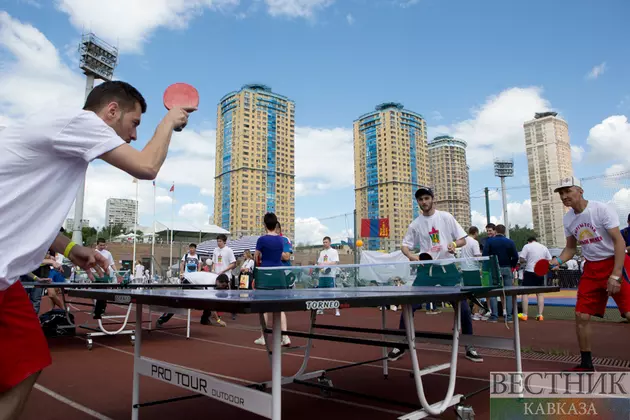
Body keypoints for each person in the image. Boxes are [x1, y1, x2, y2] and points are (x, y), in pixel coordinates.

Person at [0, 80, 193, 419]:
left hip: (5, 280)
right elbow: (146, 166)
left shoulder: (66, 144)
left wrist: (70, 246)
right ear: (111, 111)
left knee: (28, 364)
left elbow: (23, 212)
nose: (133, 136)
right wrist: (169, 122)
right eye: (134, 124)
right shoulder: (82, 123)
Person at [388, 186, 483, 363]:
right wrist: (411, 255)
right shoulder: (415, 224)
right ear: (418, 202)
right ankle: (402, 343)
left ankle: (470, 346)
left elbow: (463, 239)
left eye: (426, 198)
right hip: (427, 270)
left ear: (433, 199)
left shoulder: (446, 217)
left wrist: (454, 245)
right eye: (420, 199)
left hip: (448, 269)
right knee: (409, 306)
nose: (424, 202)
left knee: (462, 308)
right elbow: (404, 245)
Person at [552, 177, 630, 372]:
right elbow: (570, 249)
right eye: (561, 193)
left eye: (568, 191)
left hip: (615, 262)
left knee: (629, 313)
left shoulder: (601, 210)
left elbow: (619, 242)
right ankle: (587, 363)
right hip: (591, 268)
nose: (564, 196)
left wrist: (615, 275)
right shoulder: (568, 218)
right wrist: (557, 261)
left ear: (580, 190)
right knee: (581, 315)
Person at [253, 213, 291, 347]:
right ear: (276, 225)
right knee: (279, 307)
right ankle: (285, 337)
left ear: (264, 225)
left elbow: (256, 258)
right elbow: (282, 256)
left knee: (263, 307)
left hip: (265, 274)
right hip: (279, 274)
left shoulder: (261, 240)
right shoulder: (282, 240)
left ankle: (263, 337)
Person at [482, 224, 519, 323]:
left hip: (494, 268)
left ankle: (494, 316)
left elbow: (485, 255)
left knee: (493, 292)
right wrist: (511, 265)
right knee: (508, 293)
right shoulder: (510, 242)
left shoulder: (490, 241)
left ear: (496, 231)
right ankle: (509, 316)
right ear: (504, 232)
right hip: (507, 267)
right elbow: (515, 256)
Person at [518, 237, 551, 321]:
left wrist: (525, 261)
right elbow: (549, 260)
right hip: (540, 272)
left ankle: (525, 314)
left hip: (529, 270)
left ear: (528, 241)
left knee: (525, 293)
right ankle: (540, 315)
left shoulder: (527, 246)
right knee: (540, 294)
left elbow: (521, 259)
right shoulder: (544, 247)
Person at [316, 236, 341, 316]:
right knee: (321, 293)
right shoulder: (322, 252)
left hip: (330, 275)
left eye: (326, 242)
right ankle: (321, 309)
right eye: (323, 242)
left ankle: (337, 310)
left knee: (332, 293)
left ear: (330, 242)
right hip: (322, 275)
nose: (325, 243)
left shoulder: (334, 251)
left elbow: (335, 262)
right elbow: (319, 263)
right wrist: (322, 267)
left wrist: (325, 265)